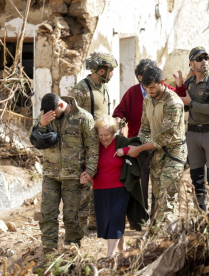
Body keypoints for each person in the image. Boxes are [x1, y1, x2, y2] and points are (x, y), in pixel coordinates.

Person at [112, 59, 187, 214]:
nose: (149, 91)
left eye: (152, 87)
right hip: (153, 151)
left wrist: (139, 148)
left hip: (173, 153)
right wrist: (140, 145)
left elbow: (164, 137)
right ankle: (152, 224)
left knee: (166, 198)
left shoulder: (172, 102)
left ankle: (164, 232)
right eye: (146, 87)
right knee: (155, 191)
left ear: (161, 82)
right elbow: (144, 128)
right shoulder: (147, 99)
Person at [32, 93, 99, 253]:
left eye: (53, 113)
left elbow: (92, 147)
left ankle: (72, 251)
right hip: (50, 174)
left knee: (71, 217)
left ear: (61, 106)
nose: (50, 117)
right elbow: (34, 139)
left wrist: (89, 171)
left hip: (74, 177)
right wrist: (42, 124)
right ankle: (49, 251)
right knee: (47, 214)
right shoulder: (46, 116)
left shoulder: (83, 118)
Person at [85, 115, 148, 258]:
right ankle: (122, 250)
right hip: (99, 189)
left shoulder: (121, 141)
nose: (103, 138)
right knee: (108, 220)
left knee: (115, 219)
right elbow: (88, 162)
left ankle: (109, 255)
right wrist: (86, 174)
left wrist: (124, 151)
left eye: (106, 134)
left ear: (113, 132)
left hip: (120, 189)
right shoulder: (95, 145)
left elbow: (141, 151)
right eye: (100, 134)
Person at [70, 52, 119, 232]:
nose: (112, 74)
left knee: (100, 180)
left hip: (102, 141)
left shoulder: (104, 87)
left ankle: (95, 219)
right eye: (110, 70)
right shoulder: (81, 89)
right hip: (86, 144)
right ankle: (80, 225)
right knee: (85, 184)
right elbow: (71, 117)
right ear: (100, 70)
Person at [181, 46, 209, 211]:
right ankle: (201, 214)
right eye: (199, 59)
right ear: (191, 64)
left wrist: (191, 103)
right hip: (192, 134)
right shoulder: (189, 84)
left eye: (206, 58)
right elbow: (181, 105)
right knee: (197, 178)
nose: (204, 61)